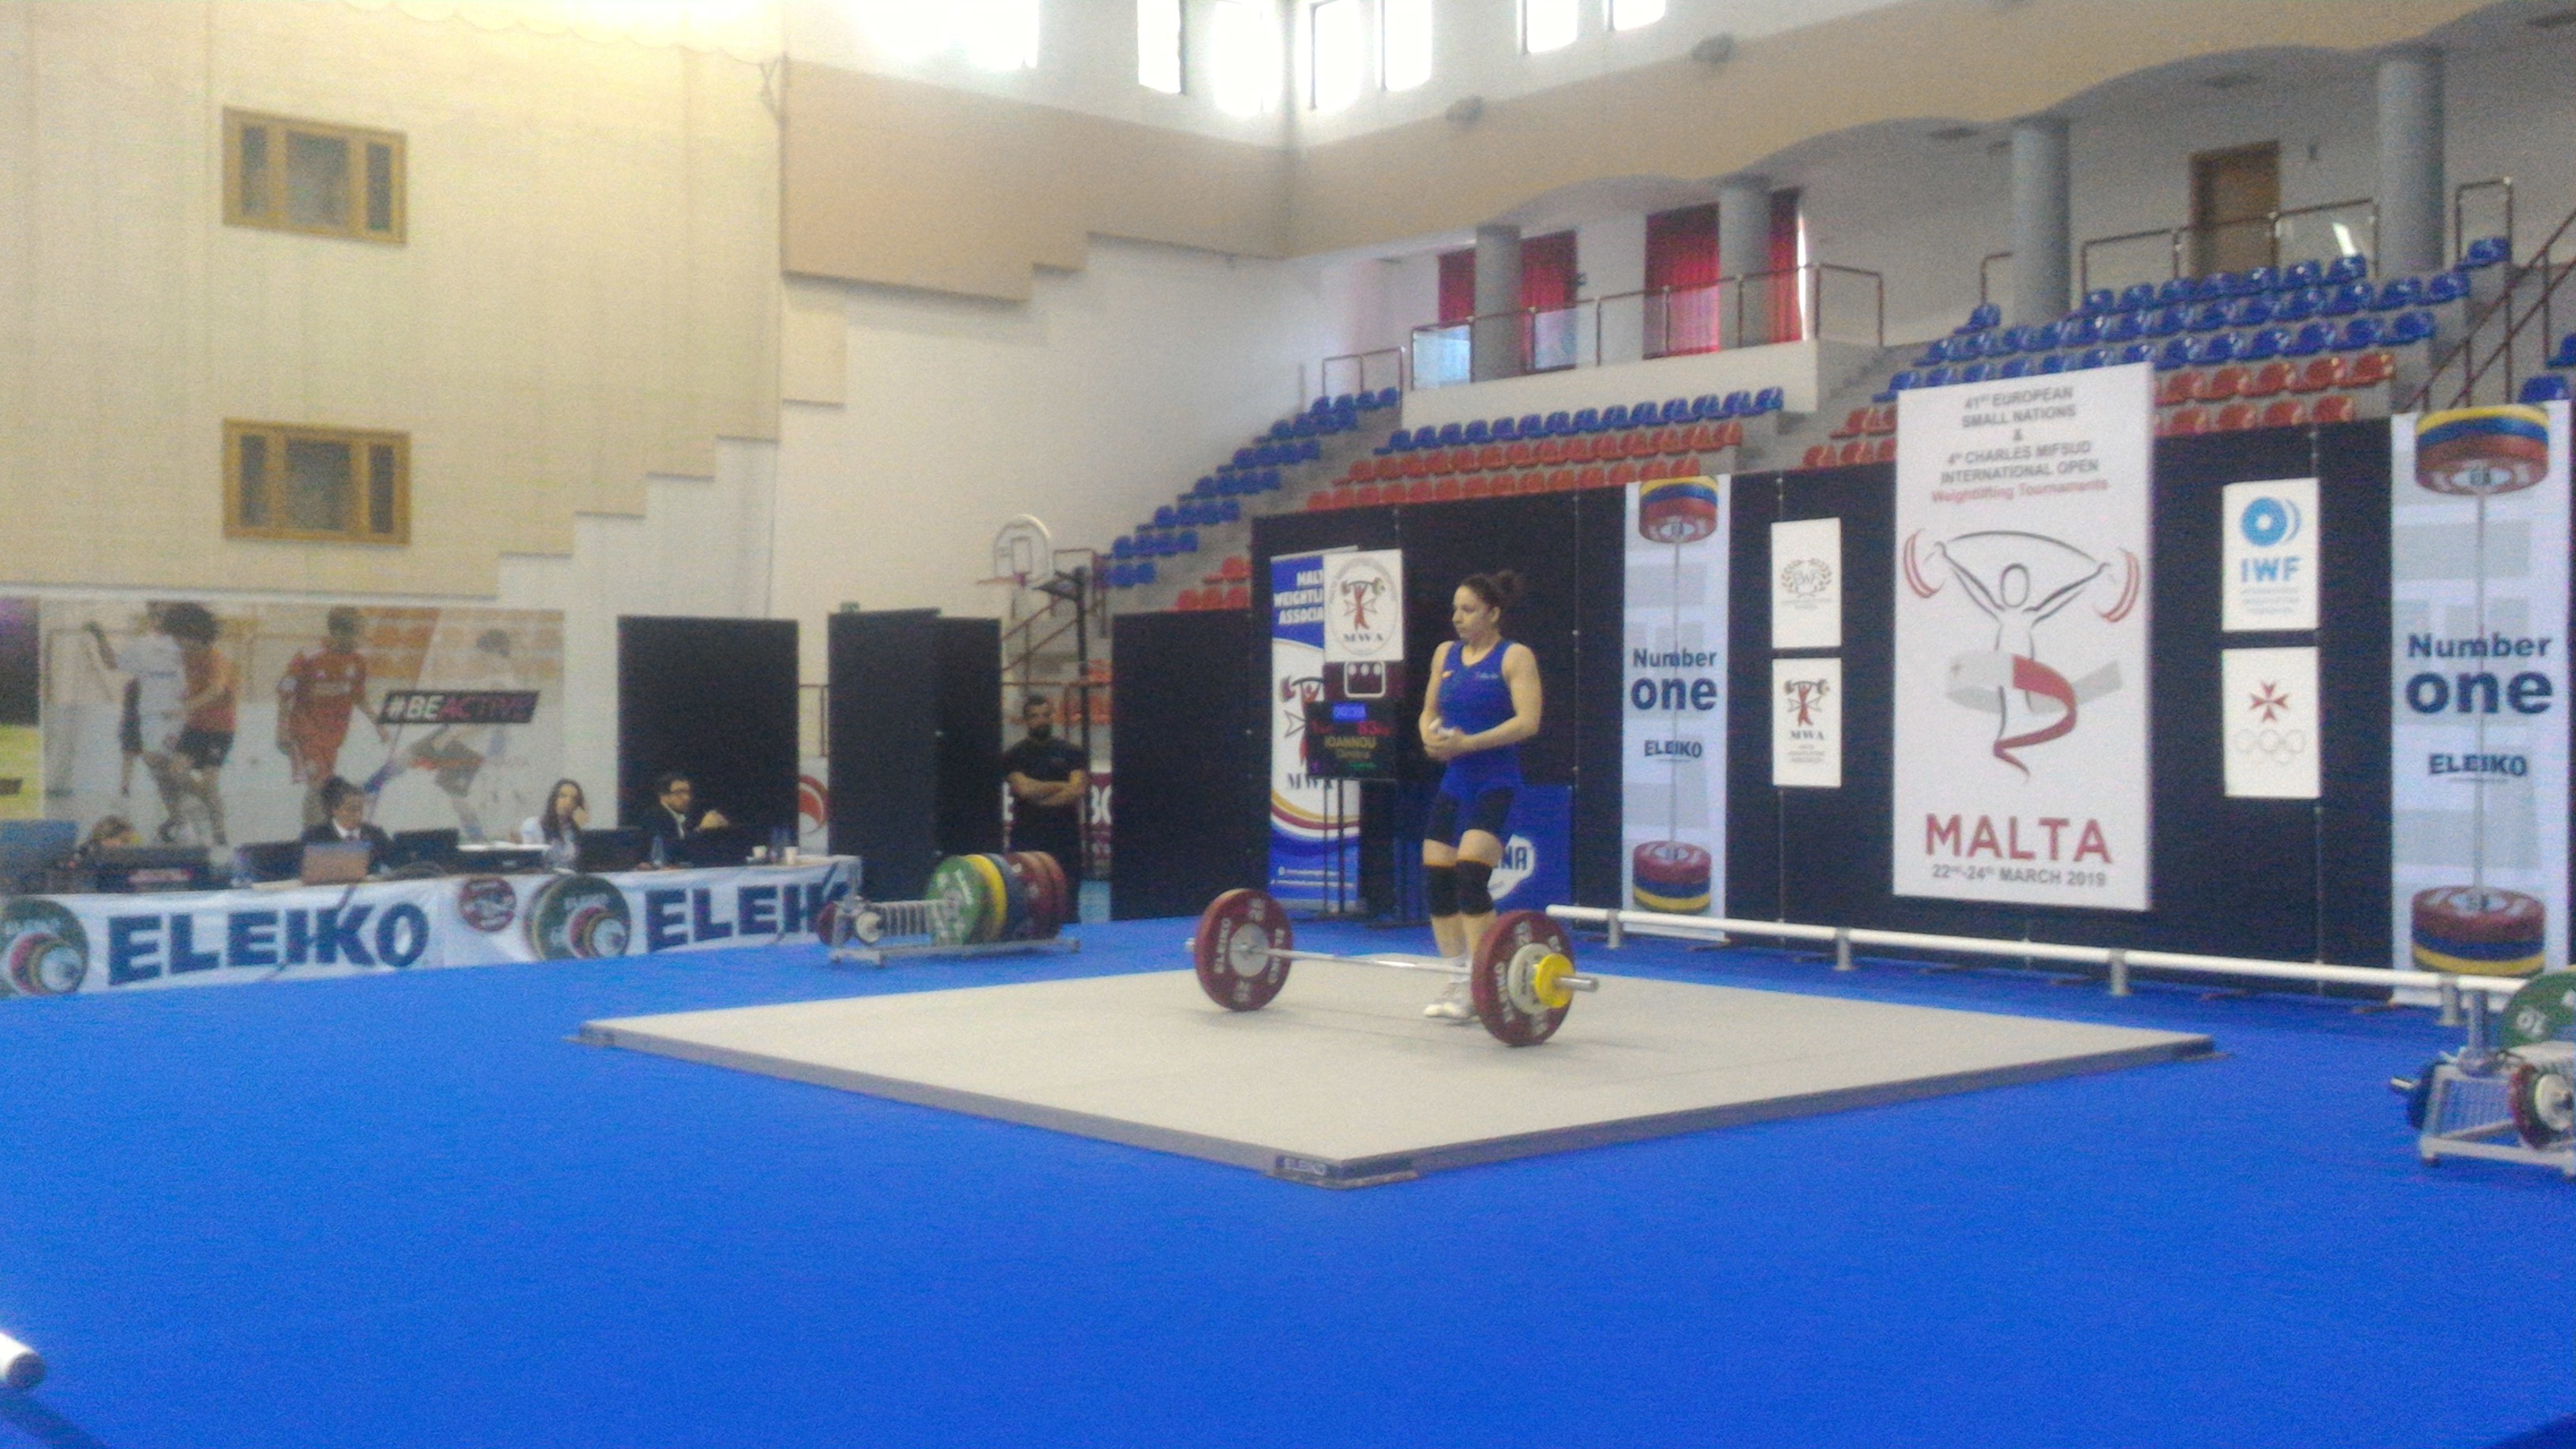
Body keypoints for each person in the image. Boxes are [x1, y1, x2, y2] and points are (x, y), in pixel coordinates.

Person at [1417, 571, 1542, 1023]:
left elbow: (1528, 722)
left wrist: (1467, 744)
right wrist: (1429, 739)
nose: (1458, 617)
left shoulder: (1515, 657)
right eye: (1455, 609)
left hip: (1496, 783)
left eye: (1468, 610)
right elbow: (1429, 712)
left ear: (1493, 613)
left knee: (1470, 876)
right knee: (1437, 877)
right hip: (1456, 782)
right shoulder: (1445, 654)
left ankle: (1483, 981)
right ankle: (1457, 978)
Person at [278, 607, 386, 829]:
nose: (361, 640)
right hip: (306, 732)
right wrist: (281, 730)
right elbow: (285, 692)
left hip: (333, 737)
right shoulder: (308, 656)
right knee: (318, 785)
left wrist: (377, 724)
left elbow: (359, 696)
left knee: (325, 787)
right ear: (338, 633)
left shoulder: (357, 661)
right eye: (358, 634)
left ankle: (320, 834)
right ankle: (312, 836)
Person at [164, 603, 237, 846]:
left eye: (180, 637)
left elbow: (216, 689)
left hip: (220, 729)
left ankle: (219, 833)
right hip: (196, 726)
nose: (177, 642)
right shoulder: (186, 656)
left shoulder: (216, 659)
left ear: (195, 634)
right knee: (176, 772)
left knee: (209, 782)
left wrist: (186, 706)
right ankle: (207, 803)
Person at [1001, 694, 1088, 888]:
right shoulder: (1013, 755)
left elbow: (1076, 790)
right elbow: (1024, 790)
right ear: (1026, 720)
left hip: (1065, 839)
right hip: (1027, 838)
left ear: (1052, 717)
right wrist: (1061, 785)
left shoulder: (1072, 753)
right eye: (1035, 716)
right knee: (1027, 896)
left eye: (1046, 715)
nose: (1042, 720)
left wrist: (1038, 796)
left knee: (1068, 897)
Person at [301, 776, 391, 870]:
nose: (358, 815)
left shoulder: (375, 835)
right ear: (335, 810)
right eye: (352, 809)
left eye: (361, 809)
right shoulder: (314, 838)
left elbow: (393, 865)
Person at [639, 772, 728, 861]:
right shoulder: (653, 816)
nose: (687, 798)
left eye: (688, 793)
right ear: (663, 796)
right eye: (679, 792)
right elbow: (669, 851)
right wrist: (701, 829)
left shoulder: (687, 815)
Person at [519, 777, 589, 870]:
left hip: (571, 877)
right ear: (554, 799)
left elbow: (584, 865)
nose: (568, 802)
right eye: (563, 796)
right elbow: (530, 862)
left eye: (574, 799)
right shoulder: (533, 826)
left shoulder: (574, 831)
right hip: (545, 876)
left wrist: (581, 830)